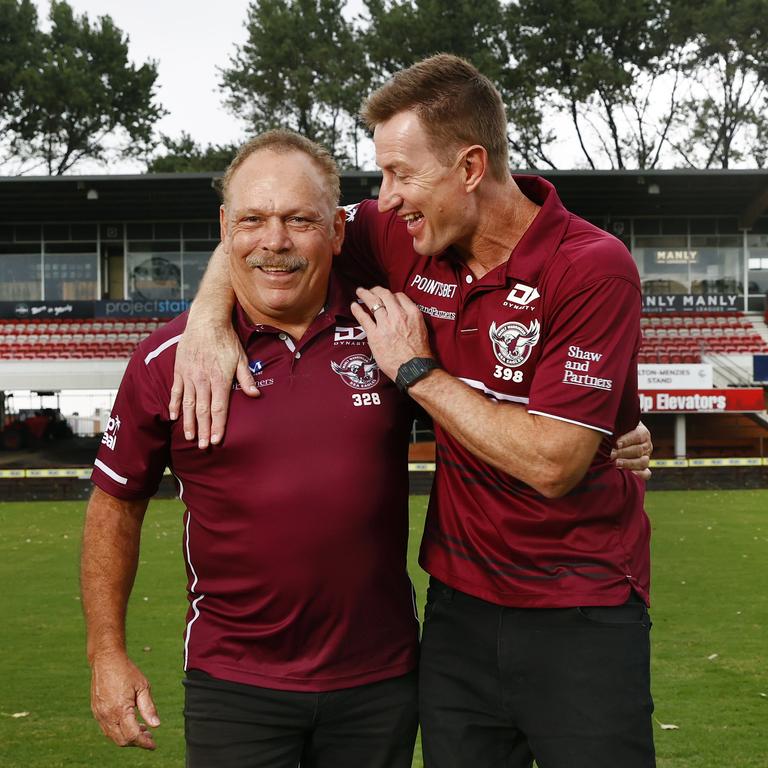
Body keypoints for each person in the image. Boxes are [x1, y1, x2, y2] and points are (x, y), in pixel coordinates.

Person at [173, 54, 656, 768]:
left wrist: (415, 371)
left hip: (580, 609)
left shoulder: (591, 265)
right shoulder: (404, 235)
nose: (386, 197)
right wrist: (208, 320)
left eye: (401, 173)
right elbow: (275, 229)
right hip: (457, 611)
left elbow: (553, 463)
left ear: (469, 167)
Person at [80, 130, 420, 768]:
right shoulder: (166, 361)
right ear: (224, 228)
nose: (275, 242)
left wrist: (605, 429)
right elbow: (114, 507)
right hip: (235, 685)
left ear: (338, 231)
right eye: (253, 220)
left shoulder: (390, 332)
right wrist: (107, 652)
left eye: (299, 220)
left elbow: (487, 393)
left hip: (379, 682)